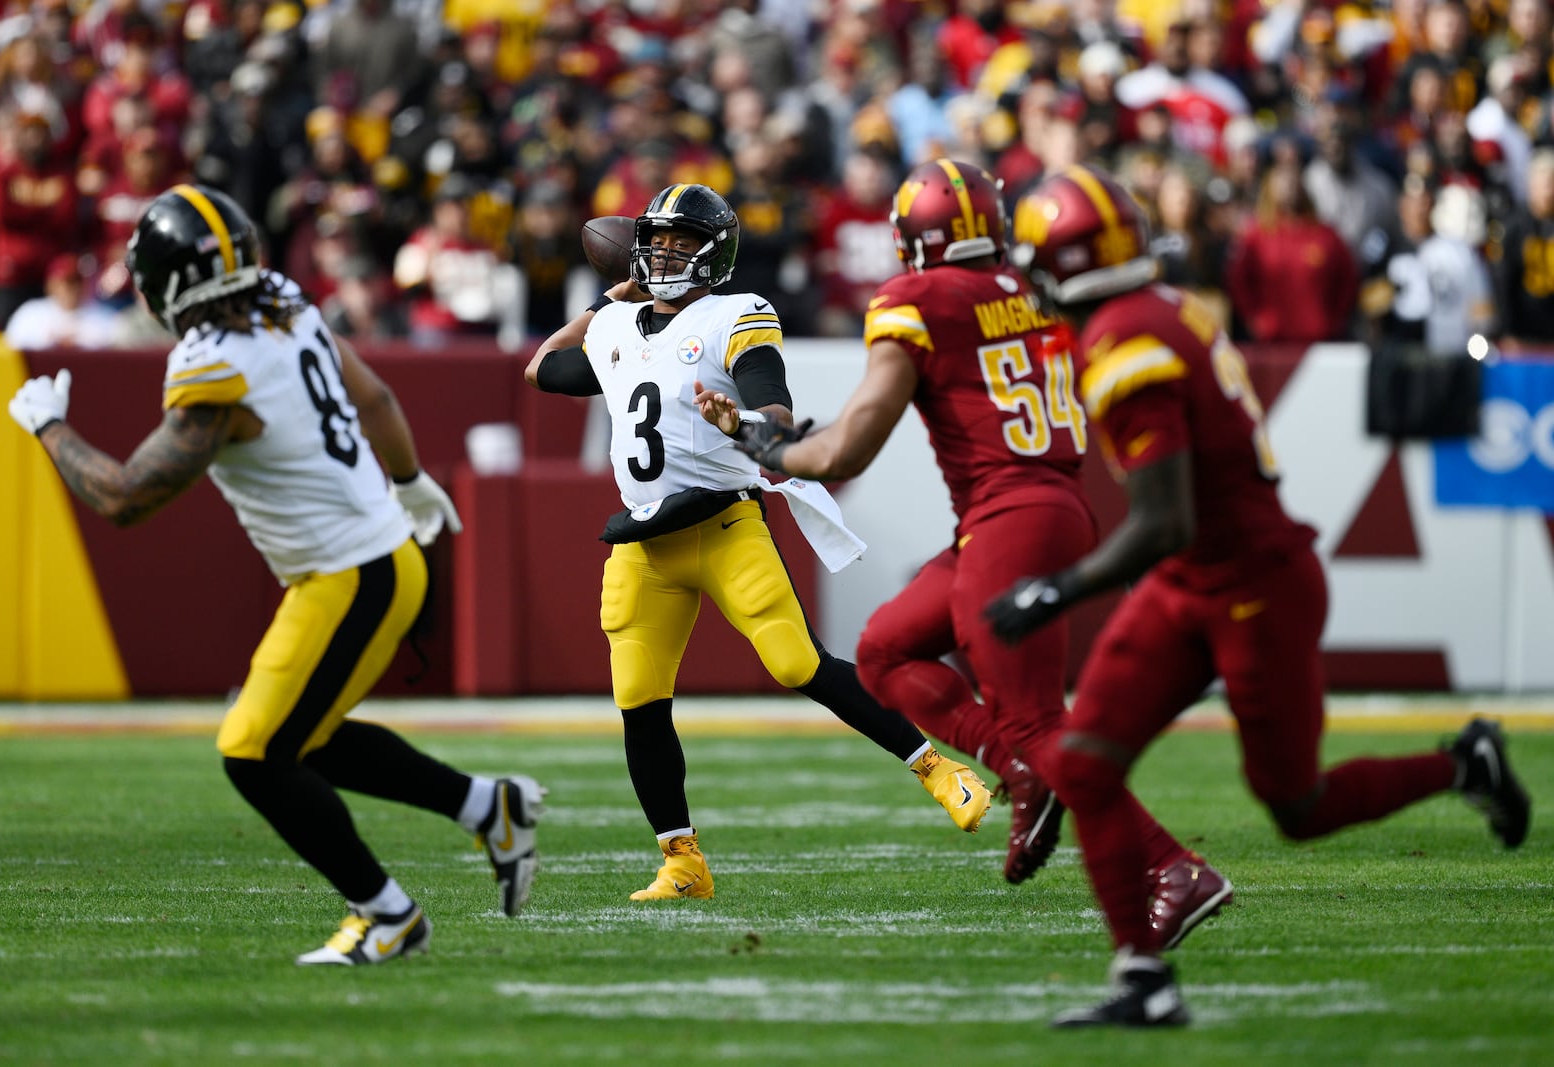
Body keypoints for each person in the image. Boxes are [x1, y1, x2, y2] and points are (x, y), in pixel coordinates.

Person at [988, 165, 1533, 1028]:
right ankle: (1142, 979)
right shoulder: (1153, 312)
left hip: (1251, 585)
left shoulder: (1128, 340)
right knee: (1086, 763)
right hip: (1192, 577)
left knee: (1297, 806)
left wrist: (1058, 588)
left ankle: (1464, 763)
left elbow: (1166, 517)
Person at [6, 183, 546, 966]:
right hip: (366, 561)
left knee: (254, 749)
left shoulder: (215, 361)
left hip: (352, 575)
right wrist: (408, 477)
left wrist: (48, 426)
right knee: (297, 734)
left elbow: (124, 498)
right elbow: (378, 394)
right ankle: (485, 805)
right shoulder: (286, 302)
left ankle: (388, 914)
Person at [716, 162, 1229, 943]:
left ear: (914, 239)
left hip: (1009, 517)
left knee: (1035, 722)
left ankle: (1170, 866)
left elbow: (848, 450)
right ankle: (1022, 774)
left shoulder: (915, 300)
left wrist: (769, 443)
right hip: (1050, 505)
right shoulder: (1031, 289)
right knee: (885, 650)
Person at [523, 182, 991, 900]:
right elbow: (541, 369)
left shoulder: (733, 315)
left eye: (681, 242)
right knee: (639, 696)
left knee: (797, 661)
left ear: (715, 255)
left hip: (721, 519)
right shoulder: (616, 327)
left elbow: (772, 397)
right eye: (654, 241)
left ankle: (939, 769)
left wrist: (740, 419)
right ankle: (682, 861)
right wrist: (603, 301)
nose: (663, 254)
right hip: (643, 541)